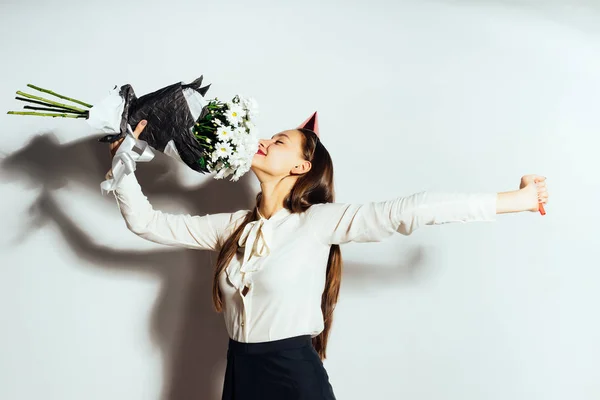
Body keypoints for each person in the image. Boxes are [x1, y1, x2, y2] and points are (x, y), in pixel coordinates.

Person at [105, 115, 549, 400]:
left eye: (278, 141)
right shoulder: (233, 226)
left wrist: (518, 199)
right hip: (240, 372)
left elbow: (411, 210)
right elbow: (148, 224)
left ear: (300, 167)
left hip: (293, 376)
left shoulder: (318, 223)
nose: (262, 141)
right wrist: (124, 164)